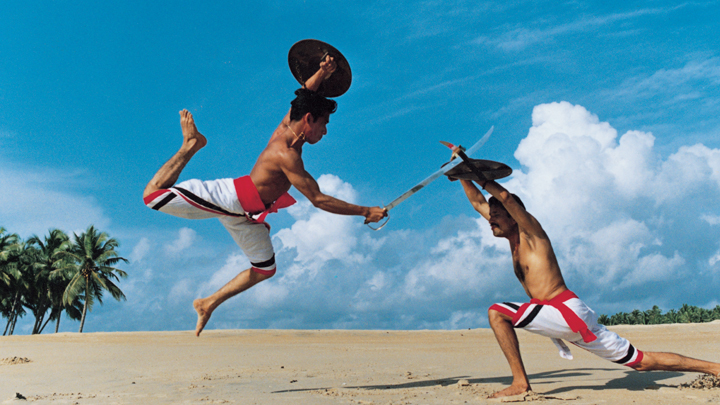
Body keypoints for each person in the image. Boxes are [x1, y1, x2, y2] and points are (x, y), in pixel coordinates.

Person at [143, 56, 387, 336]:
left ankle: (208, 303)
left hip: (247, 216)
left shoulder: (291, 125)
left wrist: (322, 71)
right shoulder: (286, 154)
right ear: (308, 120)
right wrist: (365, 211)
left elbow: (302, 98)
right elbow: (318, 199)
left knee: (264, 268)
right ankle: (191, 145)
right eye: (324, 123)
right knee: (152, 197)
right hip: (230, 197)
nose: (325, 131)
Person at [456, 175, 720, 398]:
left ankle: (520, 382)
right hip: (572, 314)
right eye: (491, 217)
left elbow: (507, 199)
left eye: (497, 216)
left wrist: (478, 174)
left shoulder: (533, 234)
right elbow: (479, 202)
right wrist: (461, 175)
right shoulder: (512, 239)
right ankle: (716, 368)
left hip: (563, 311)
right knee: (642, 362)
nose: (490, 220)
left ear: (514, 217)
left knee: (497, 312)